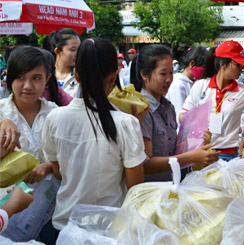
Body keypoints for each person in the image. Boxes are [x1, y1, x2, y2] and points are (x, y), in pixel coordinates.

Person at [41, 38, 146, 231]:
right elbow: (135, 188)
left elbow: (58, 172)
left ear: (76, 75)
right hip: (109, 229)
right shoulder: (126, 124)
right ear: (114, 77)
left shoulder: (54, 118)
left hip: (66, 228)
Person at [0, 47, 60, 242]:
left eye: (36, 78)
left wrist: (49, 166)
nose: (27, 85)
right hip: (6, 207)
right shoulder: (2, 112)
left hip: (48, 208)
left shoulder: (56, 114)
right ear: (8, 77)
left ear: (47, 79)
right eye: (20, 77)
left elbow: (71, 157)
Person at [136, 44, 220, 181]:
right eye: (163, 74)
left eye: (171, 73)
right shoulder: (141, 110)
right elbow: (145, 164)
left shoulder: (169, 108)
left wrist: (199, 142)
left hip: (170, 185)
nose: (168, 79)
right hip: (149, 191)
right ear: (144, 75)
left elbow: (173, 148)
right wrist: (190, 157)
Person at [166, 46, 207, 125]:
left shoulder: (193, 83)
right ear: (192, 64)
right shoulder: (178, 84)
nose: (204, 71)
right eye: (203, 67)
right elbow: (179, 115)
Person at [43, 28, 81, 98]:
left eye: (79, 49)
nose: (77, 54)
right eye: (73, 50)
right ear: (57, 51)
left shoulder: (81, 75)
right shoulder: (45, 74)